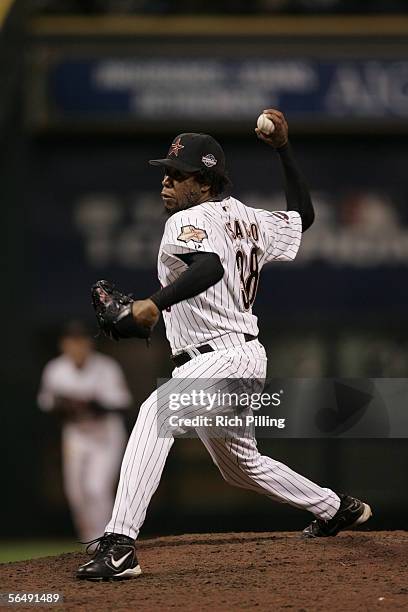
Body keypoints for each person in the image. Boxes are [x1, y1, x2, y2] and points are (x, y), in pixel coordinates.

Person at [76, 109, 372, 581]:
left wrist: (153, 304)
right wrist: (283, 150)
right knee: (240, 466)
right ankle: (335, 508)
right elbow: (304, 216)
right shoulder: (248, 219)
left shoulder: (186, 220)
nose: (167, 183)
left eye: (180, 175)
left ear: (207, 181)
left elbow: (209, 267)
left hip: (221, 356)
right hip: (239, 356)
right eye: (166, 173)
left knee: (157, 415)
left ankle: (119, 544)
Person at [38, 321, 132, 541]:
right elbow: (47, 404)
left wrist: (92, 404)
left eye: (81, 341)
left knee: (97, 488)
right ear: (64, 345)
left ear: (89, 344)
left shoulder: (106, 367)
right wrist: (65, 405)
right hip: (76, 435)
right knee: (76, 494)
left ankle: (106, 540)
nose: (77, 346)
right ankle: (89, 541)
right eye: (72, 341)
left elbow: (121, 404)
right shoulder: (56, 369)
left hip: (105, 436)